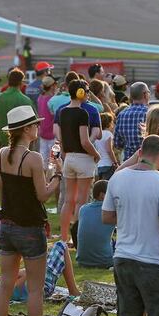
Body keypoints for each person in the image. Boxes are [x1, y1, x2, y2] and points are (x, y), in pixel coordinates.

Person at [0, 105, 62, 316]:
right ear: (26, 129)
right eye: (34, 124)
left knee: (4, 286)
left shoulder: (2, 153)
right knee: (35, 291)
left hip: (7, 226)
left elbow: (4, 188)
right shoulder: (33, 158)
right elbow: (43, 195)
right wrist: (57, 177)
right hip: (29, 228)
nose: (38, 127)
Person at [103, 135, 159, 316]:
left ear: (139, 152)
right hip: (154, 261)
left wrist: (130, 215)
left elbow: (106, 216)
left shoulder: (117, 178)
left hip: (123, 257)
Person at [56, 80, 100, 242]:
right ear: (81, 93)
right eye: (87, 91)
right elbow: (85, 141)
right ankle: (78, 237)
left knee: (68, 200)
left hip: (69, 159)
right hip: (83, 159)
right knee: (82, 200)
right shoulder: (83, 113)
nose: (88, 94)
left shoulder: (62, 112)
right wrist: (96, 154)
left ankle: (64, 237)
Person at [76, 180, 114, 268]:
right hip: (105, 261)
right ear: (102, 195)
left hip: (82, 261)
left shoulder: (83, 209)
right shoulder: (111, 211)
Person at [0, 69, 34, 147]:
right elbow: (33, 124)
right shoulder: (26, 100)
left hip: (3, 141)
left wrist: (0, 134)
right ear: (21, 82)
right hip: (21, 144)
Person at [114, 82, 150, 160]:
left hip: (128, 161)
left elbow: (117, 143)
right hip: (146, 161)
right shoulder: (149, 113)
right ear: (145, 94)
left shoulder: (121, 114)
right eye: (148, 92)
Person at [93, 112, 118, 181]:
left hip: (98, 164)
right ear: (109, 123)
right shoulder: (108, 134)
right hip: (107, 164)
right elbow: (109, 150)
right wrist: (115, 162)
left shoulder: (96, 134)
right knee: (106, 185)